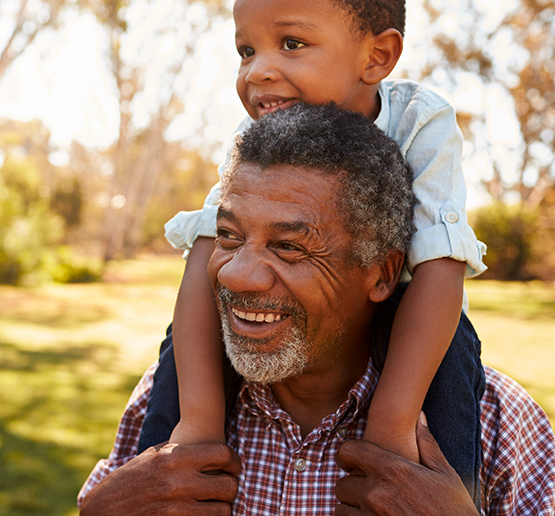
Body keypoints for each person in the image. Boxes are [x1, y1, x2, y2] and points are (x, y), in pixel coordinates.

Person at [140, 0, 489, 505]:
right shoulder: (255, 141)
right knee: (182, 348)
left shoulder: (419, 121)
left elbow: (441, 265)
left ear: (376, 56)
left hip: (411, 313)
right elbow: (207, 252)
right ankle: (159, 485)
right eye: (246, 51)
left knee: (451, 374)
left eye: (291, 43)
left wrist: (392, 425)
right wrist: (197, 422)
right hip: (294, 325)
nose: (258, 72)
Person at [78, 104, 555, 515]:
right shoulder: (169, 397)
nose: (234, 274)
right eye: (228, 236)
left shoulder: (497, 423)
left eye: (288, 247)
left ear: (382, 274)